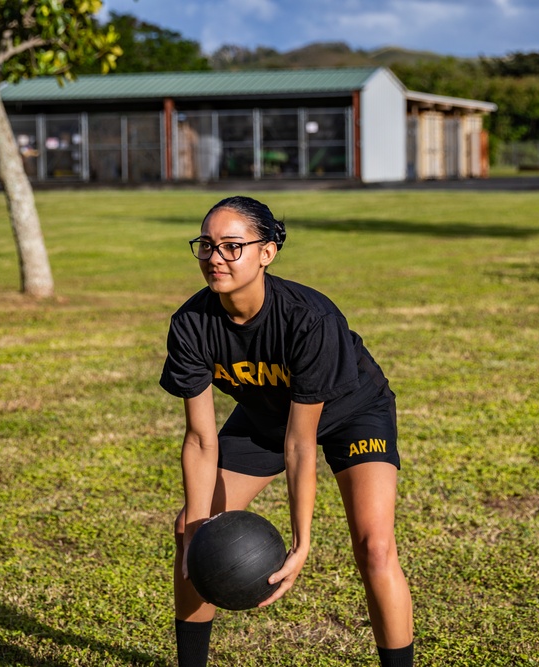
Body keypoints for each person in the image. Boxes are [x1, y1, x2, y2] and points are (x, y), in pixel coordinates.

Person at [160, 196, 414, 667]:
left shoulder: (309, 319)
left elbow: (301, 445)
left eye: (232, 247)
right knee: (190, 532)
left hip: (353, 412)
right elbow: (200, 439)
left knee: (375, 548)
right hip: (266, 416)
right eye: (207, 246)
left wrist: (301, 542)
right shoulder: (192, 324)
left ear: (266, 253)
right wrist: (198, 530)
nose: (215, 258)